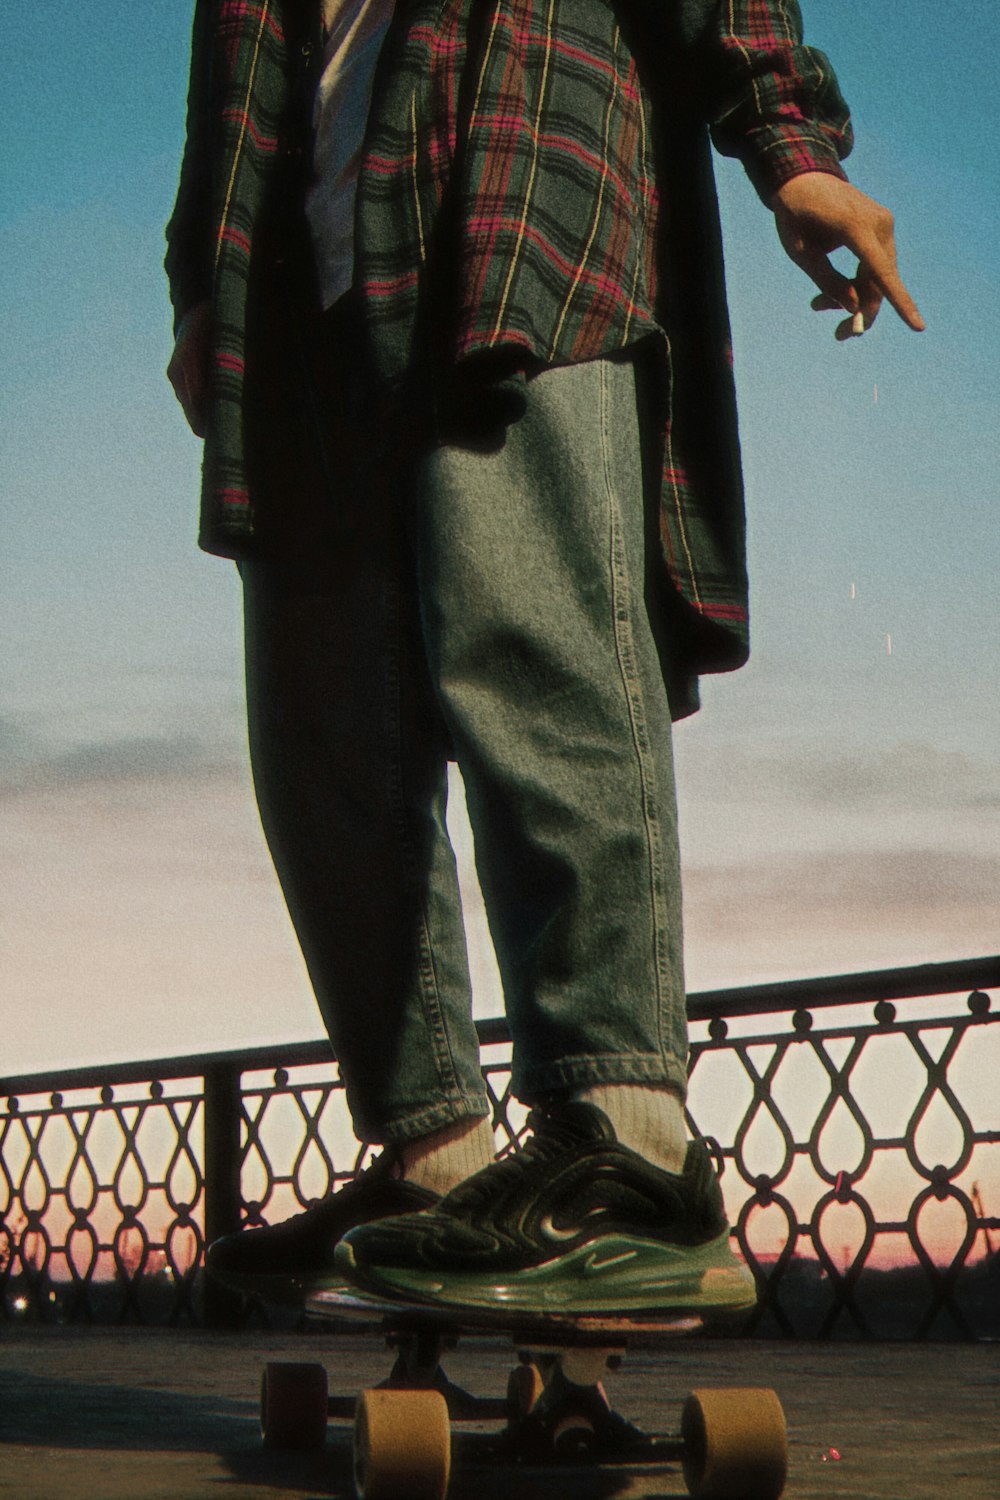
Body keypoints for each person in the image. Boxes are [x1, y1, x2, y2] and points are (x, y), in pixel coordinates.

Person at [166, 0, 921, 1316]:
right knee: (322, 739)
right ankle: (437, 1161)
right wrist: (198, 295)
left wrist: (789, 145)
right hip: (300, 298)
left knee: (538, 658)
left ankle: (632, 1160)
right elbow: (223, 105)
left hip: (518, 198)